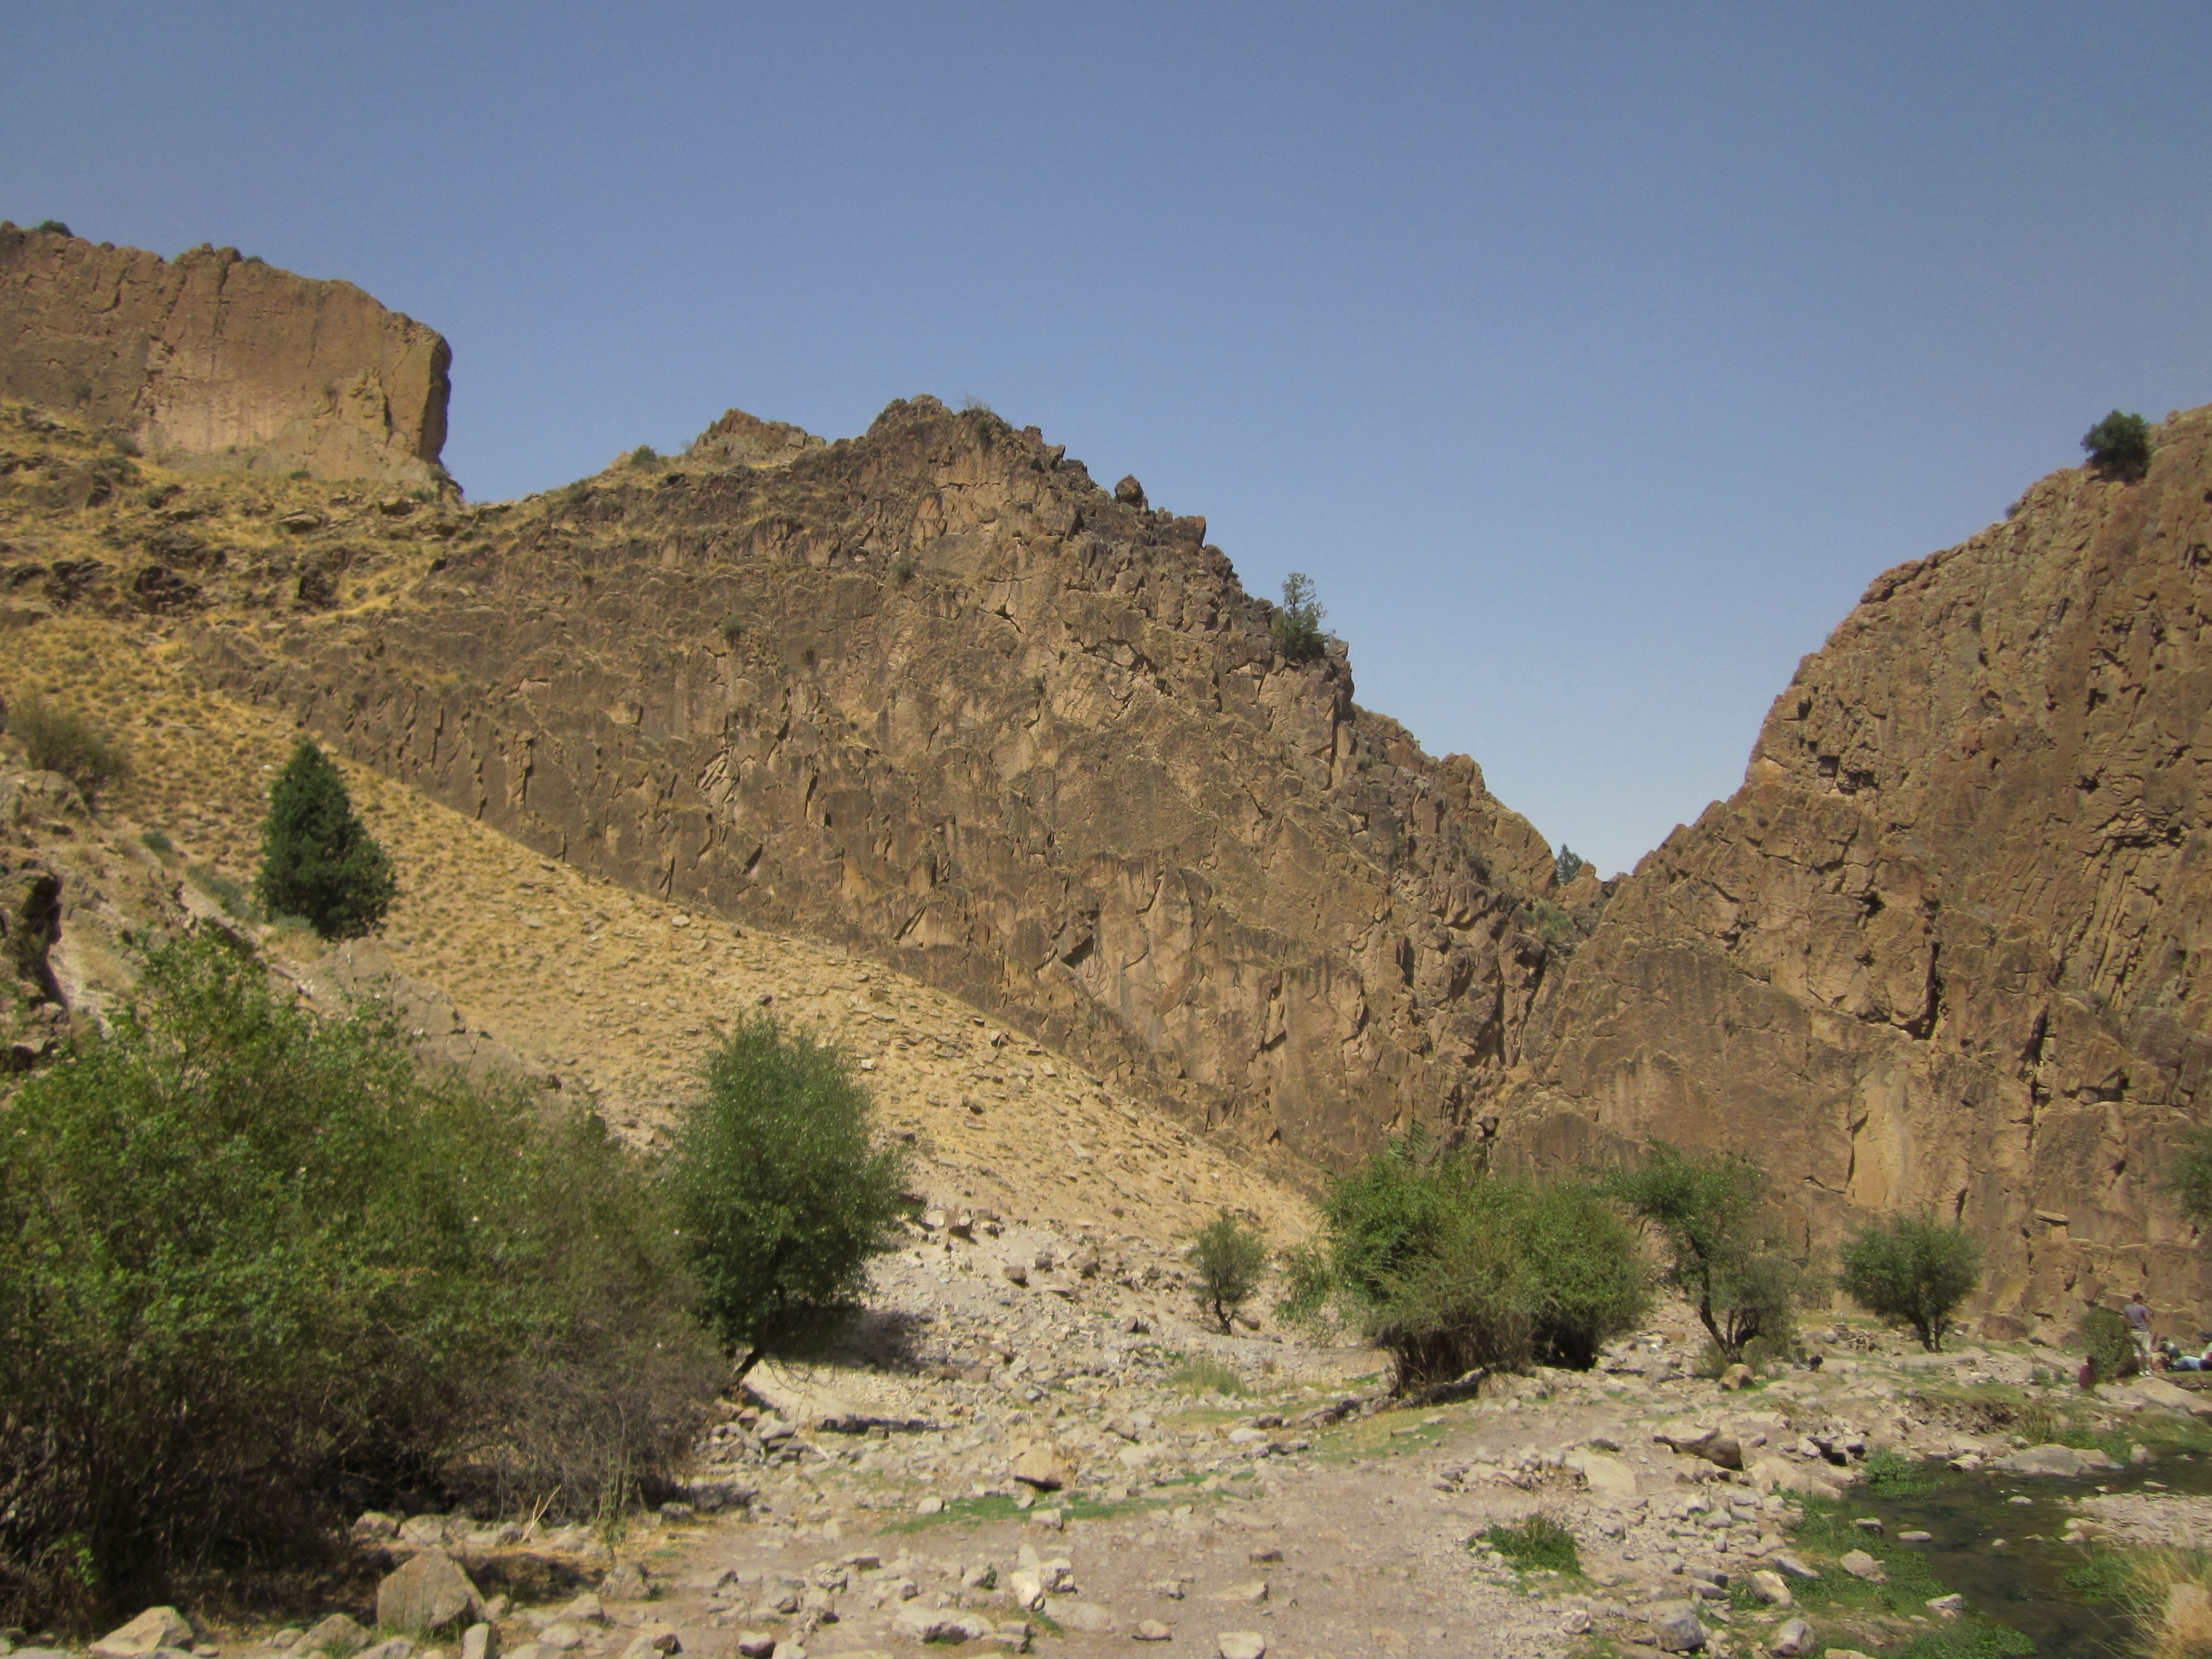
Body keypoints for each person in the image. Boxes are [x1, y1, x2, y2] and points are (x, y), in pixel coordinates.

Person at [2125, 1291, 2155, 1366]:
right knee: (2147, 1351)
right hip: (2143, 1331)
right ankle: (2148, 1370)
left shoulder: (2127, 1308)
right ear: (2139, 1300)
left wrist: (2126, 1331)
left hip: (2133, 1331)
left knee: (2137, 1352)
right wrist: (2151, 1320)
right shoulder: (2142, 1308)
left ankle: (2141, 1370)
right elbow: (2147, 1319)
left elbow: (2125, 1320)